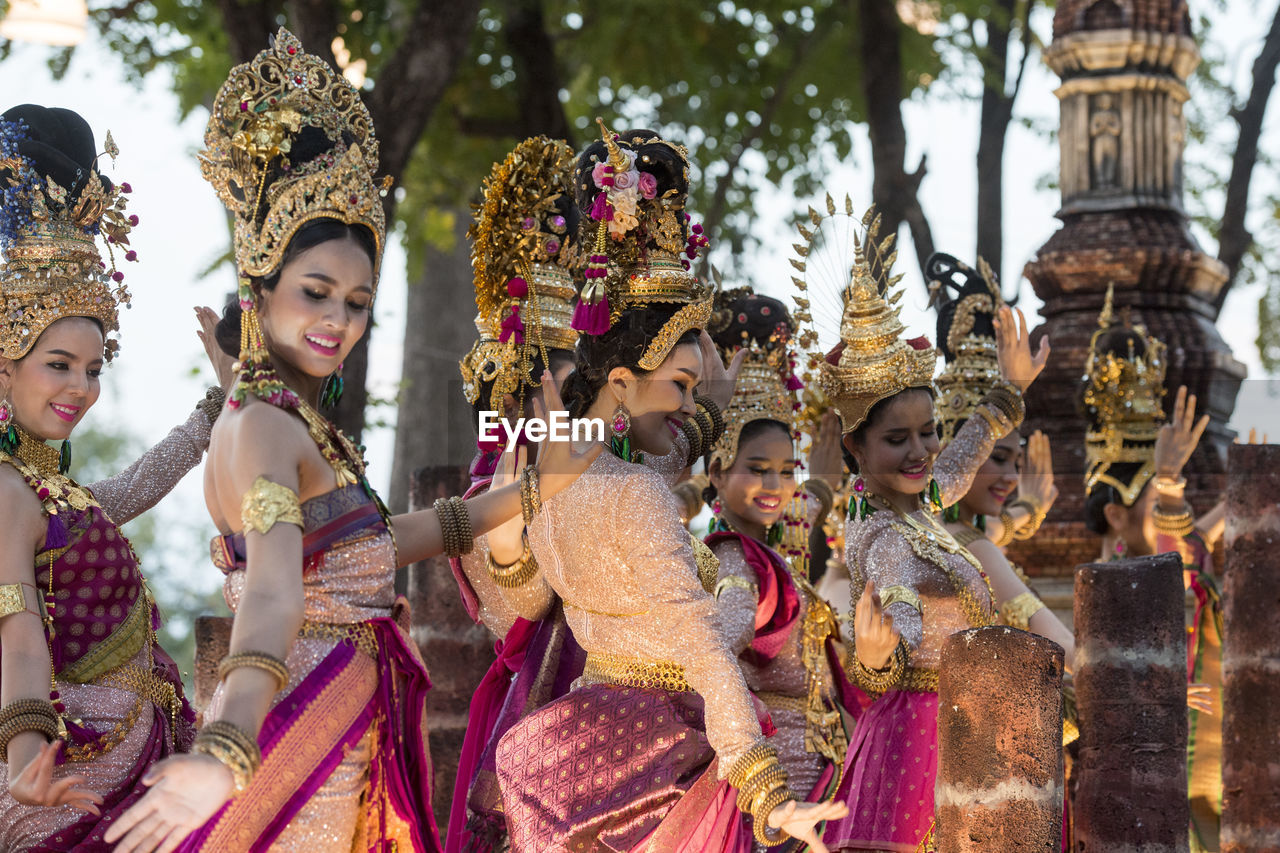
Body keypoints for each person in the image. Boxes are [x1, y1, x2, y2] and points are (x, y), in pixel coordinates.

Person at [104, 31, 598, 853]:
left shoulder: (295, 426)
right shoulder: (261, 426)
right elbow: (270, 593)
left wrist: (532, 491)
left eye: (358, 301)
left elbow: (372, 547)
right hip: (296, 723)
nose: (338, 320)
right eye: (316, 292)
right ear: (258, 293)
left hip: (343, 714)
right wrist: (224, 752)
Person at [490, 123, 847, 851]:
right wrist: (766, 791)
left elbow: (493, 567)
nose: (689, 407)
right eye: (679, 385)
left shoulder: (558, 476)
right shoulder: (633, 491)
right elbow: (700, 644)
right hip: (657, 749)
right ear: (622, 381)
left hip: (570, 744)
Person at [0, 104, 232, 850]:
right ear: (4, 368)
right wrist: (25, 748)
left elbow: (129, 490)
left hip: (125, 751)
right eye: (59, 366)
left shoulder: (46, 491)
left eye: (95, 369)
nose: (81, 389)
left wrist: (215, 410)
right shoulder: (6, 491)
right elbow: (21, 636)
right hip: (75, 773)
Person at [789, 211, 1047, 852]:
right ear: (853, 444)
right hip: (917, 740)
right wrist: (878, 660)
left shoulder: (922, 505)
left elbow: (961, 458)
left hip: (962, 729)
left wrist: (1006, 393)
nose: (921, 451)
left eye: (927, 432)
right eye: (897, 439)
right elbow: (894, 605)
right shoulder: (881, 533)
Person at [446, 135, 587, 853]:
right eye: (568, 386)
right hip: (544, 721)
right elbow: (525, 603)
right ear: (527, 396)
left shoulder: (601, 470)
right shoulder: (498, 491)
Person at [701, 288, 856, 829]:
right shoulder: (735, 563)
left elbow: (809, 499)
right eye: (757, 468)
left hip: (823, 762)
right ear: (717, 472)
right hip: (778, 780)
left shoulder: (773, 552)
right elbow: (716, 649)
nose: (775, 486)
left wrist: (823, 482)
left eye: (786, 471)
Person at [1079, 284, 1220, 851]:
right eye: (1149, 500)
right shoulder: (1104, 581)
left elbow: (1184, 552)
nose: (1162, 508)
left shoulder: (1179, 570)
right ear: (1115, 513)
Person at [928, 252, 1074, 665]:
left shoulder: (934, 531)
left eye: (1016, 461)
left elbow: (996, 528)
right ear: (960, 452)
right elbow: (1060, 647)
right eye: (996, 457)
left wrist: (1028, 510)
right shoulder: (974, 546)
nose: (1011, 476)